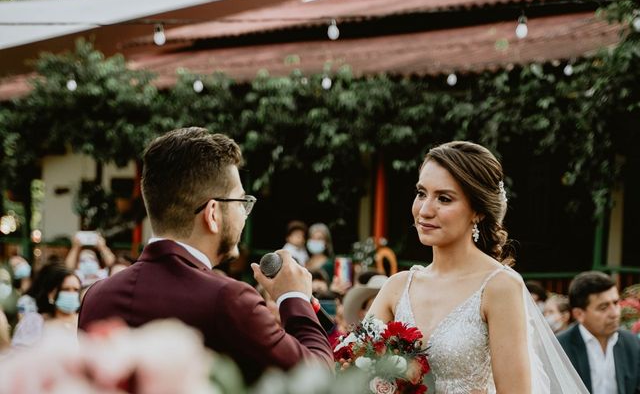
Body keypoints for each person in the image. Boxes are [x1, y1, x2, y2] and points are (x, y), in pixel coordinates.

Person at [78, 127, 332, 383]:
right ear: (212, 214)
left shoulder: (96, 296)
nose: (244, 216)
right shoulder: (229, 299)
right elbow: (316, 379)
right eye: (241, 203)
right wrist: (294, 296)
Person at [367, 140, 588, 393]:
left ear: (478, 211)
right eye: (421, 193)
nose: (425, 210)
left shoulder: (499, 286)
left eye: (444, 198)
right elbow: (353, 366)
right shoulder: (397, 286)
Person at [558, 271, 640, 394]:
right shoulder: (560, 348)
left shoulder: (632, 344)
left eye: (616, 303)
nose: (615, 313)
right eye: (603, 307)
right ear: (579, 314)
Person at [12, 263, 81, 348]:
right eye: (66, 289)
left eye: (76, 290)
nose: (72, 294)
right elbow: (19, 355)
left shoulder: (85, 320)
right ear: (51, 293)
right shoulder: (35, 322)